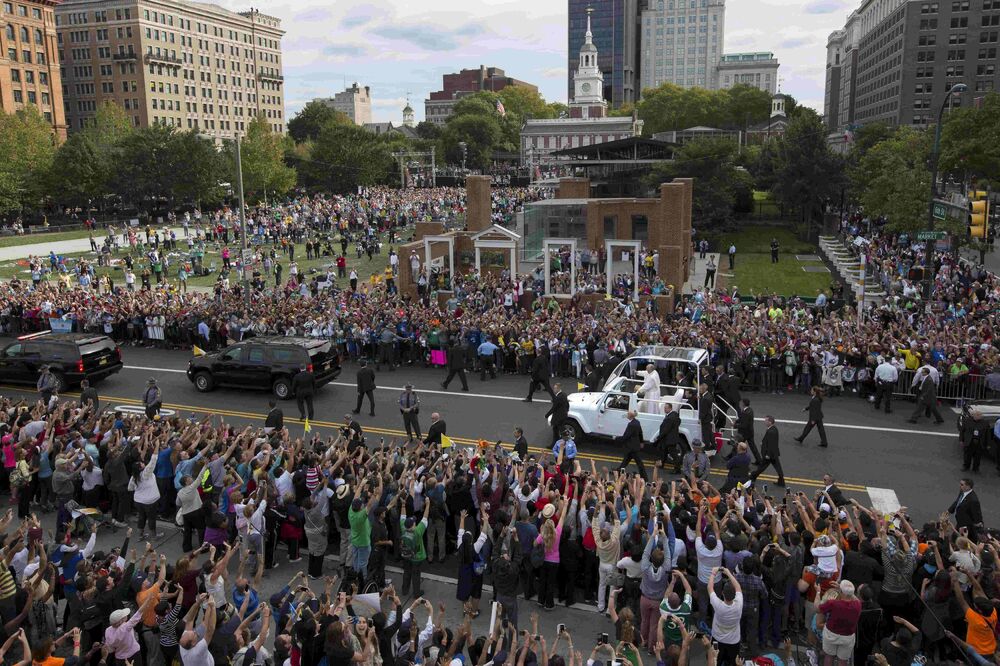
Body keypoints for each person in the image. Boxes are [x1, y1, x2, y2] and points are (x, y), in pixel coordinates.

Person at [820, 580, 862, 666]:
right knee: (842, 660)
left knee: (829, 656)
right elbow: (855, 598)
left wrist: (817, 592)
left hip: (831, 634)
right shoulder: (858, 604)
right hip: (847, 637)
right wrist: (846, 591)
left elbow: (819, 608)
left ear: (841, 592)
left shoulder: (833, 603)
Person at [708, 567, 743, 666]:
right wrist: (728, 573)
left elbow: (710, 588)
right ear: (735, 595)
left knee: (716, 662)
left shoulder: (718, 605)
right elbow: (738, 587)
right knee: (732, 663)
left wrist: (713, 573)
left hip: (717, 639)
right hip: (733, 641)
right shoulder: (739, 603)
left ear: (722, 593)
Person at [399, 492, 431, 598]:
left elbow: (402, 516)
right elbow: (425, 518)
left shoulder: (403, 528)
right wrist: (428, 505)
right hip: (417, 557)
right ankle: (416, 593)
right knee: (416, 575)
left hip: (406, 555)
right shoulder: (417, 531)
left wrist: (403, 505)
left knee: (406, 572)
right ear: (413, 525)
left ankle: (404, 590)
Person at [750, 415, 785, 486]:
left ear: (770, 422)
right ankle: (781, 481)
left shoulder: (771, 431)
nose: (764, 422)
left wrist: (768, 454)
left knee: (762, 467)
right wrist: (763, 443)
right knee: (777, 467)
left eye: (766, 420)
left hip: (769, 454)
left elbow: (771, 444)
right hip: (774, 453)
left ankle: (753, 476)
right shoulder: (774, 429)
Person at [615, 410, 647, 480]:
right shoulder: (637, 422)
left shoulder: (631, 425)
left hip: (631, 447)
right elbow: (640, 433)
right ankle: (618, 470)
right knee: (626, 460)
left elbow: (626, 436)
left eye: (628, 414)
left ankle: (644, 477)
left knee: (638, 463)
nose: (627, 415)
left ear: (630, 416)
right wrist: (642, 442)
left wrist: (616, 438)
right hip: (635, 446)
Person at [657, 402, 682, 470]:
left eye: (666, 408)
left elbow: (665, 430)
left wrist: (659, 437)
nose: (664, 409)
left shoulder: (669, 418)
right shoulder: (675, 415)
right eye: (664, 408)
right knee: (664, 452)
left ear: (670, 408)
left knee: (673, 454)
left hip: (669, 439)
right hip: (671, 438)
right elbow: (679, 421)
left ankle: (677, 469)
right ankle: (662, 465)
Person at [735, 399, 761, 464]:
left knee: (739, 446)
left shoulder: (745, 412)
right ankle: (759, 460)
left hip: (745, 433)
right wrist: (737, 421)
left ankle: (739, 460)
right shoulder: (749, 410)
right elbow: (742, 418)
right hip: (750, 432)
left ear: (743, 403)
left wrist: (735, 425)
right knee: (752, 447)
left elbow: (744, 425)